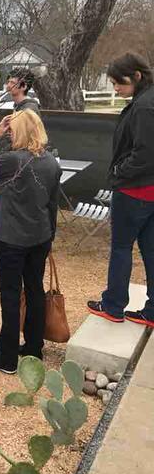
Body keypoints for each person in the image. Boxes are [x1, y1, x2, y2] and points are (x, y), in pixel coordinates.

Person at [0, 110, 61, 374]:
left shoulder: (13, 160)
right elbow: (53, 204)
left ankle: (7, 357)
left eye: (12, 130)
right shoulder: (51, 162)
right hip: (40, 235)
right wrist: (50, 235)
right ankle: (34, 348)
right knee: (34, 290)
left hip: (12, 238)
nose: (9, 135)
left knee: (11, 294)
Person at [88, 53, 154, 327]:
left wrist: (119, 172)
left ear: (137, 76)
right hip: (148, 190)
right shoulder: (145, 100)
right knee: (150, 250)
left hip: (134, 190)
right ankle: (151, 311)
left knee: (121, 248)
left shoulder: (144, 107)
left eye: (119, 83)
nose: (115, 88)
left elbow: (145, 153)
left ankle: (113, 305)